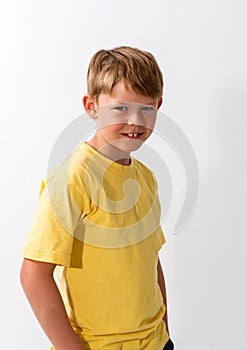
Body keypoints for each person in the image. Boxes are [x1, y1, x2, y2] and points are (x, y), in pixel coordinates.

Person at [20, 46, 174, 350]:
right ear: (92, 106)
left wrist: (165, 333)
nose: (136, 121)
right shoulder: (73, 177)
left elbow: (150, 263)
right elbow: (33, 275)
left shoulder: (146, 179)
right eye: (121, 109)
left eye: (147, 108)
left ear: (158, 105)